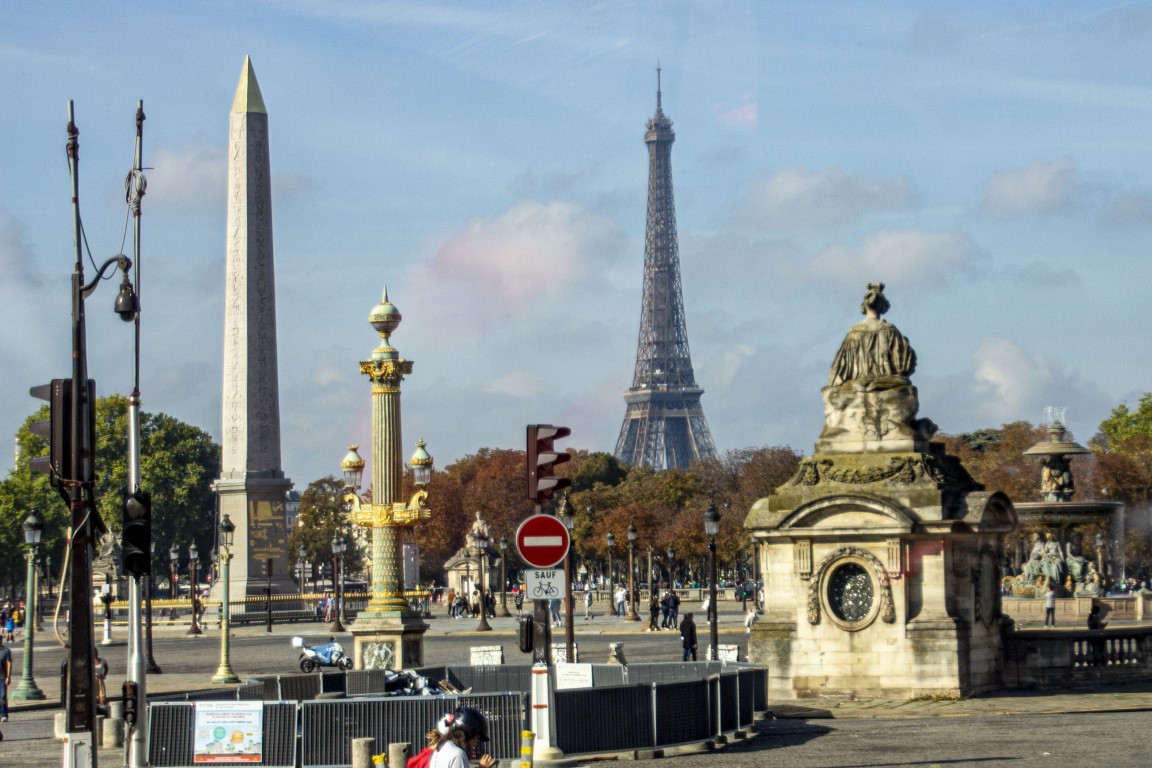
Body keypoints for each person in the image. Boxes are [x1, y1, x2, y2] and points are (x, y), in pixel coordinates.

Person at [430, 706, 496, 768]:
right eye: (476, 738)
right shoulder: (458, 754)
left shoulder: (440, 749)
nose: (475, 744)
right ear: (469, 734)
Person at [0, 631, 11, 721]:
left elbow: (9, 664)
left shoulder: (6, 651)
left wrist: (8, 676)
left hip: (2, 677)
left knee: (2, 696)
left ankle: (4, 714)